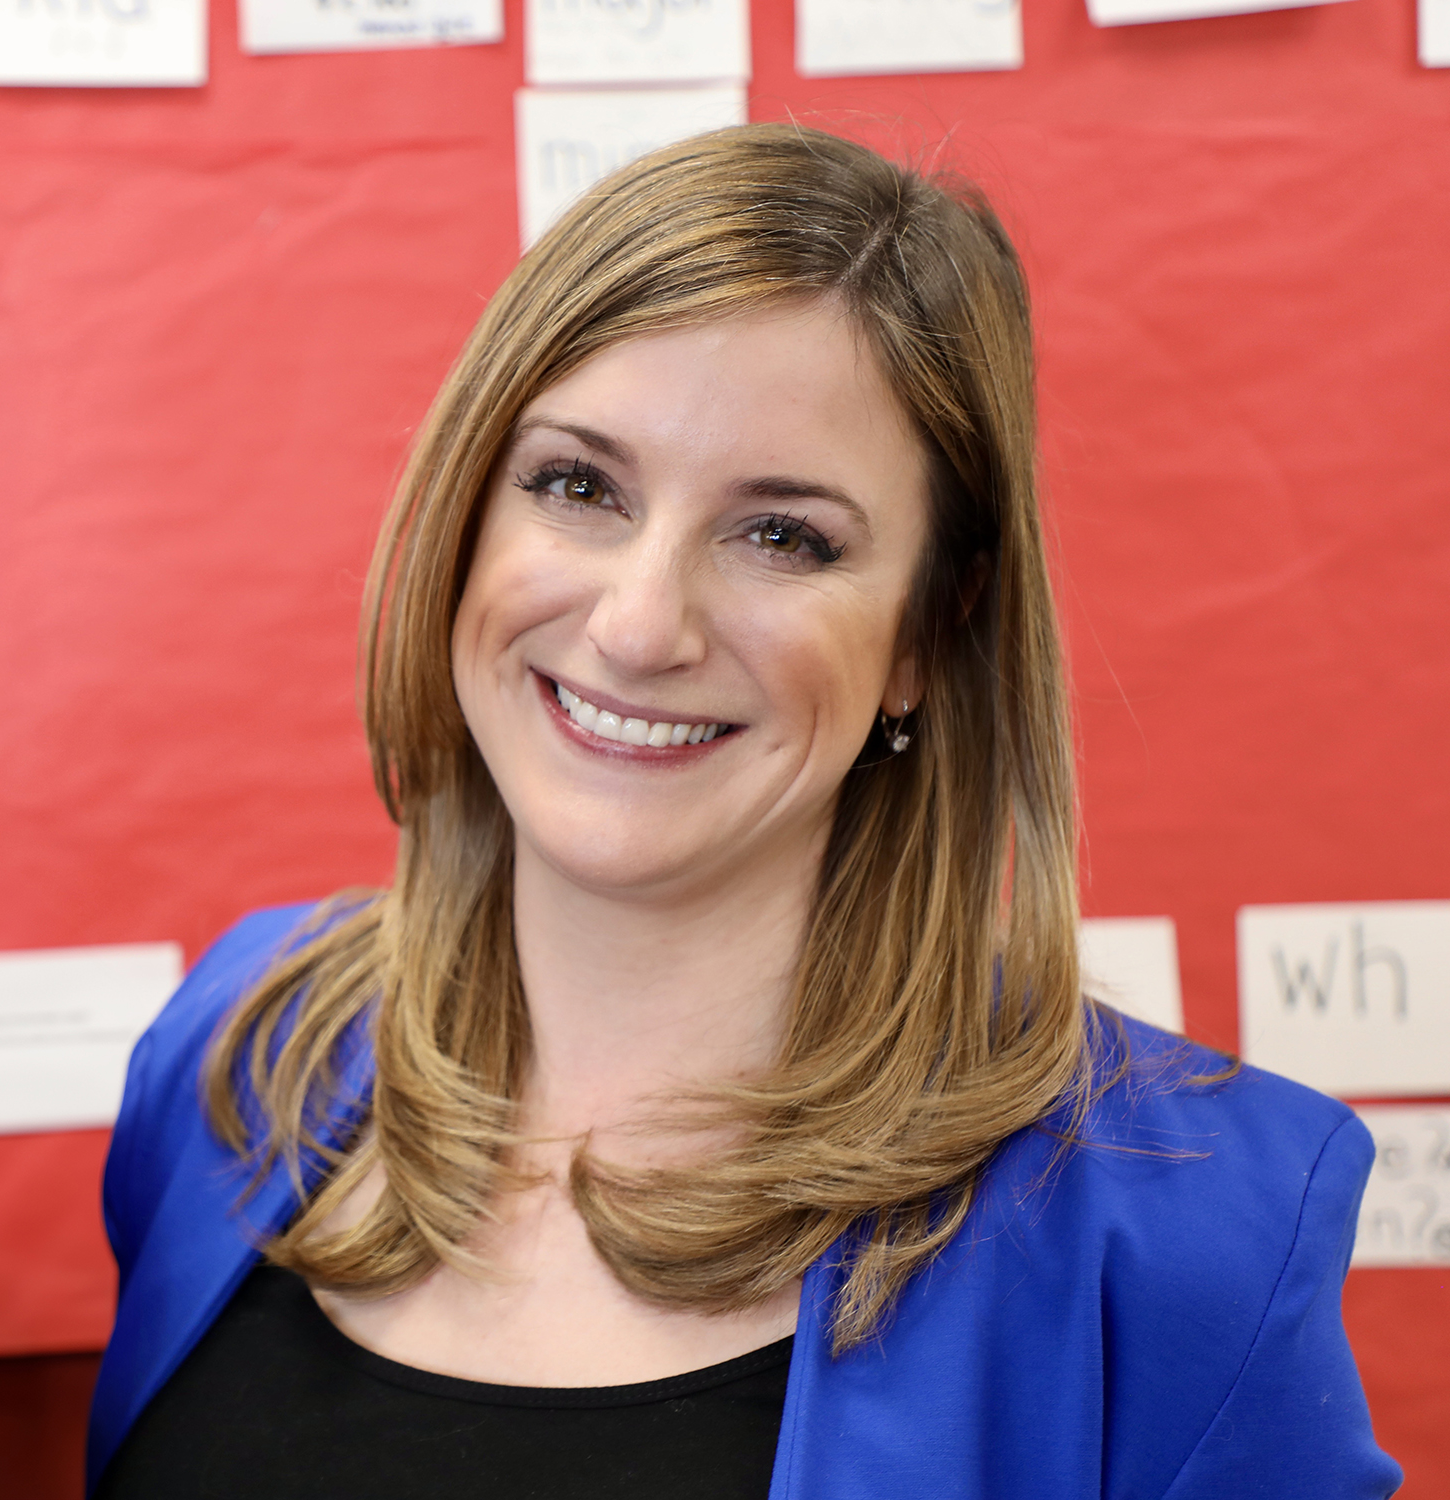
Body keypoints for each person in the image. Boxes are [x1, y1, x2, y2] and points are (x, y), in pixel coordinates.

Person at [86, 125, 1401, 1500]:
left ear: (924, 638)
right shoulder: (239, 1055)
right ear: (472, 511)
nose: (640, 623)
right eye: (578, 485)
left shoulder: (1189, 1233)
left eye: (783, 535)